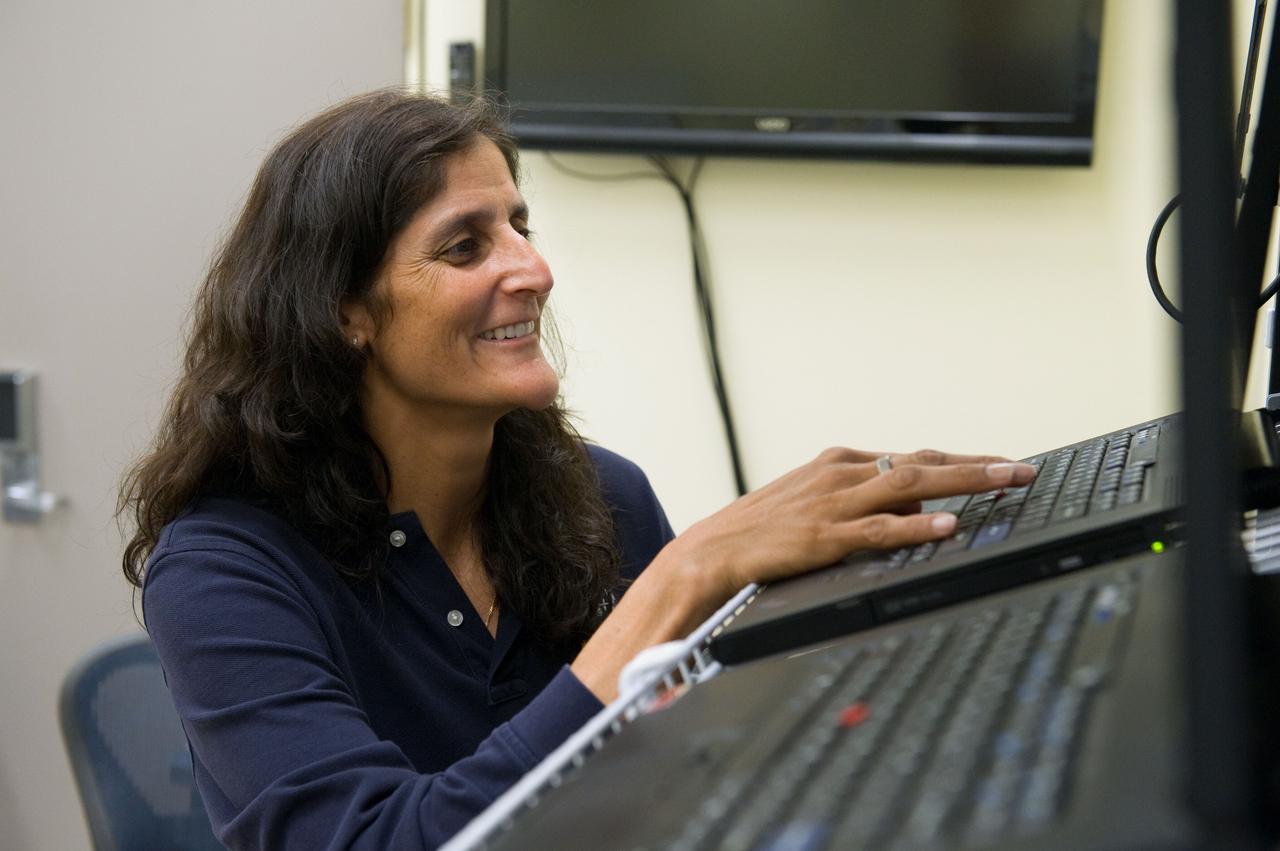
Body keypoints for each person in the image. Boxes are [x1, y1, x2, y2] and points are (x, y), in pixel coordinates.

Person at [119, 89, 1035, 850]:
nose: (534, 267)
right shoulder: (222, 572)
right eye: (465, 244)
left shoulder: (605, 495)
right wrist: (684, 579)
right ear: (345, 310)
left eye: (520, 224)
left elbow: (702, 761)